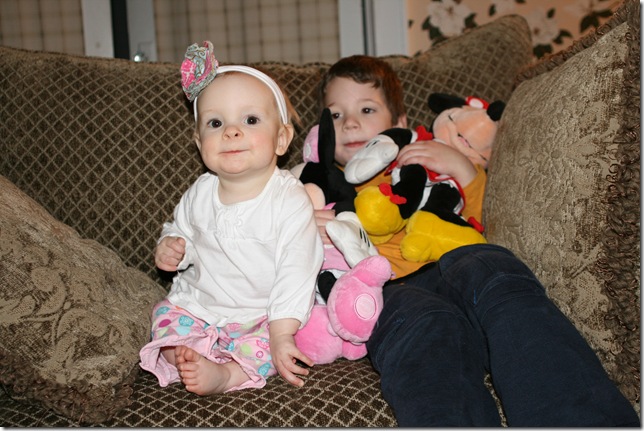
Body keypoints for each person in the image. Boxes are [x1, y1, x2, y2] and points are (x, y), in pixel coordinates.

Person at [314, 55, 640, 426]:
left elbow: (482, 217)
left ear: (399, 122)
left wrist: (462, 167)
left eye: (367, 109)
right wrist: (307, 224)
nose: (350, 123)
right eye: (335, 114)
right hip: (385, 288)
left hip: (454, 261)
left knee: (494, 271)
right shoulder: (314, 182)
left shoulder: (421, 156)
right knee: (424, 325)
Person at [139, 41, 323, 396]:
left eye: (250, 120)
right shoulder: (200, 192)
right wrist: (172, 246)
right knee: (164, 316)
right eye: (215, 122)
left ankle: (228, 375)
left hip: (261, 314)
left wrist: (282, 333)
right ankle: (187, 354)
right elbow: (181, 230)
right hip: (199, 305)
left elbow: (298, 269)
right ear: (199, 142)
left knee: (275, 346)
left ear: (281, 139)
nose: (231, 131)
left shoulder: (288, 200)